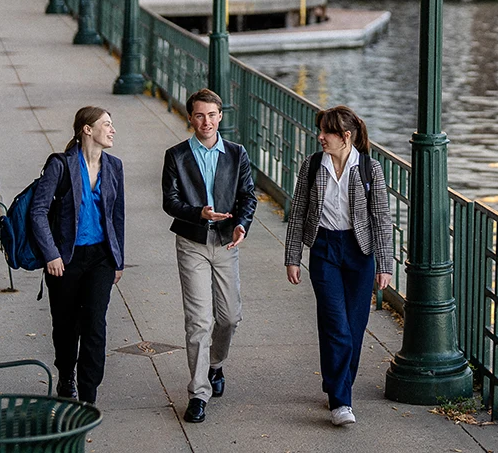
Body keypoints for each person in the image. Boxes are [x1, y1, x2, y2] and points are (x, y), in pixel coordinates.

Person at [283, 105, 393, 426]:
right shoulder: (312, 165)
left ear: (345, 137)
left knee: (354, 328)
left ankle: (336, 382)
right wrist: (293, 258)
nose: (319, 137)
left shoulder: (370, 169)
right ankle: (341, 402)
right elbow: (299, 210)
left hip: (360, 253)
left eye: (326, 132)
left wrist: (385, 265)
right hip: (324, 249)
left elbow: (381, 219)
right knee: (335, 325)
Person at [162, 89, 257, 424]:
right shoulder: (176, 155)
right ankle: (198, 392)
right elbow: (169, 202)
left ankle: (215, 363)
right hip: (192, 243)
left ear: (220, 116)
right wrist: (198, 213)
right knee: (199, 321)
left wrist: (242, 225)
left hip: (226, 243)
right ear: (191, 117)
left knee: (229, 317)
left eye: (212, 114)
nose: (206, 121)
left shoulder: (236, 153)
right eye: (200, 115)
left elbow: (248, 195)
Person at [30, 106, 125, 404]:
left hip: (100, 258)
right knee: (66, 324)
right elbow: (38, 211)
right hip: (65, 259)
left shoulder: (115, 166)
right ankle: (66, 374)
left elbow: (117, 216)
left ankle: (88, 395)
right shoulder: (60, 165)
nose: (112, 130)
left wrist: (117, 259)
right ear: (87, 129)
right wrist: (51, 254)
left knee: (95, 323)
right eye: (106, 124)